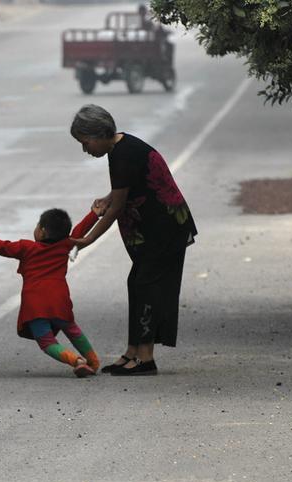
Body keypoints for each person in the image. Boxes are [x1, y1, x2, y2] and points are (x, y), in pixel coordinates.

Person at [70, 104, 197, 376]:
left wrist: (88, 239)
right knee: (137, 283)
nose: (85, 149)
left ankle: (145, 358)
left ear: (100, 134)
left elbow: (117, 209)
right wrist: (109, 197)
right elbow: (125, 189)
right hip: (156, 228)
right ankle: (132, 352)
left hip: (164, 229)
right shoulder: (120, 148)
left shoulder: (122, 154)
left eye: (85, 142)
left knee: (147, 285)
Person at [0, 207, 102, 377]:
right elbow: (81, 230)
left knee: (47, 342)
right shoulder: (66, 244)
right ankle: (93, 361)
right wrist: (94, 213)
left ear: (41, 231)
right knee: (71, 329)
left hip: (35, 304)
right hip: (59, 300)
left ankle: (76, 361)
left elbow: (3, 247)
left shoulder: (26, 248)